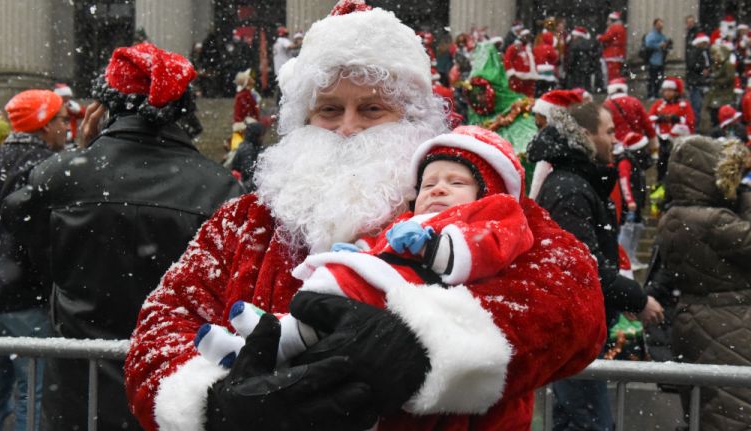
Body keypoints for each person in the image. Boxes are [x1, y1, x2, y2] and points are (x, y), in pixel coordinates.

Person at [124, 3, 607, 431]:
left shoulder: (475, 205)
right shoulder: (244, 224)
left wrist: (428, 347)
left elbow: (574, 298)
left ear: (413, 120)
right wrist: (214, 404)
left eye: (372, 109)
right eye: (329, 110)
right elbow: (161, 329)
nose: (348, 128)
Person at [0, 42, 243, 430]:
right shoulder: (220, 189)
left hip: (79, 394)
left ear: (103, 109)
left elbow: (31, 256)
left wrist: (85, 156)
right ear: (182, 111)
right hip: (171, 395)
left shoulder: (59, 177)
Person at [196, 125, 539, 367]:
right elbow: (382, 242)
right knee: (317, 313)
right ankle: (261, 339)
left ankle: (269, 337)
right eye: (429, 183)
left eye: (371, 109)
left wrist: (436, 247)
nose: (348, 127)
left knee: (322, 315)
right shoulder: (240, 218)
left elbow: (492, 243)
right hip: (364, 281)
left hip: (394, 298)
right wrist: (360, 250)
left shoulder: (495, 213)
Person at [526, 102, 664, 430]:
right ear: (586, 136)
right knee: (591, 423)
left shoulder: (576, 182)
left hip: (580, 327)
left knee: (576, 420)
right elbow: (584, 265)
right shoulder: (570, 188)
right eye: (609, 131)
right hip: (573, 330)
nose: (616, 139)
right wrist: (636, 298)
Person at [652, 136, 751, 430]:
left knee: (705, 412)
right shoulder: (714, 220)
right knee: (735, 413)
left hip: (696, 320)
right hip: (728, 323)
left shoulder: (674, 216)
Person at [0, 89, 68, 431]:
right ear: (44, 125)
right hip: (24, 299)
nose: (67, 127)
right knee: (33, 395)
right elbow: (39, 242)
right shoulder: (44, 168)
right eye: (61, 120)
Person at [614, 132, 650, 271]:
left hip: (636, 202)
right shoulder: (625, 161)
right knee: (627, 230)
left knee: (636, 228)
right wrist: (629, 200)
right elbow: (624, 181)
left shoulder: (634, 161)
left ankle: (632, 257)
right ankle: (624, 259)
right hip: (629, 204)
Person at [649, 77, 696, 183]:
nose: (667, 93)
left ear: (676, 92)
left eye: (670, 90)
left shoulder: (684, 105)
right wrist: (659, 119)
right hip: (662, 141)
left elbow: (691, 122)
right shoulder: (658, 104)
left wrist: (678, 119)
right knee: (661, 167)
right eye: (665, 90)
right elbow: (650, 118)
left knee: (677, 167)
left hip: (678, 142)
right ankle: (660, 189)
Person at [706, 43, 737, 128]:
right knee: (714, 118)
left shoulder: (727, 65)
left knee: (721, 119)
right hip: (715, 96)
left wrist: (716, 81)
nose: (714, 57)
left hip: (724, 96)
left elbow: (730, 78)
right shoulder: (716, 66)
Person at [229, 121, 265, 191]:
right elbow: (248, 171)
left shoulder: (252, 145)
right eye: (261, 135)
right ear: (255, 136)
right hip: (241, 185)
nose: (262, 138)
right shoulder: (247, 149)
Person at [685, 32, 711, 128]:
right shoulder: (694, 51)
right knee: (696, 106)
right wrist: (701, 69)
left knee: (699, 106)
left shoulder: (705, 52)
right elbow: (692, 65)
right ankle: (695, 127)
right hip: (695, 82)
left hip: (701, 82)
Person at [503, 29, 537, 97]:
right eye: (526, 37)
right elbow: (507, 59)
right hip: (518, 76)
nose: (527, 39)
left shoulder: (528, 49)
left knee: (528, 97)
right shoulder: (515, 47)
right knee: (516, 96)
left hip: (529, 77)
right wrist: (512, 73)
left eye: (529, 37)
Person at [645, 18, 671, 99]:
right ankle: (650, 94)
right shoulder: (651, 35)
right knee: (652, 78)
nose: (661, 26)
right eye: (659, 25)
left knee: (659, 79)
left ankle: (656, 93)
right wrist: (659, 45)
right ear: (655, 25)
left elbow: (666, 45)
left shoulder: (662, 36)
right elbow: (648, 44)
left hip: (660, 61)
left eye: (661, 25)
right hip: (653, 60)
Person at [598, 11, 627, 84]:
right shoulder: (621, 28)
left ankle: (613, 88)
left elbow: (606, 38)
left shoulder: (614, 27)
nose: (607, 22)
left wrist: (599, 37)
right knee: (616, 74)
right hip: (618, 54)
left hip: (612, 54)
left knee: (612, 75)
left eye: (608, 20)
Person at [566, 26, 596, 92]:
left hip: (576, 69)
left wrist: (569, 67)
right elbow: (593, 57)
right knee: (586, 85)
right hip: (587, 69)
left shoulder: (574, 44)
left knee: (577, 86)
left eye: (573, 35)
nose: (572, 37)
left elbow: (572, 58)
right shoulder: (589, 44)